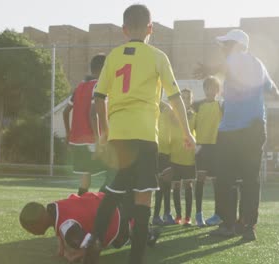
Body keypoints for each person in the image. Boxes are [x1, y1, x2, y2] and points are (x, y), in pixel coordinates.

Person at [83, 4, 195, 264]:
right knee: (143, 199)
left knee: (113, 191)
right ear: (150, 28)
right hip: (145, 134)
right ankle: (136, 258)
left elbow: (99, 97)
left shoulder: (113, 56)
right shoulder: (157, 56)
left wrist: (104, 133)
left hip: (119, 135)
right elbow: (175, 97)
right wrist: (187, 132)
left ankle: (94, 239)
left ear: (124, 30)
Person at [195, 29, 279, 241]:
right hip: (254, 128)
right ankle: (247, 227)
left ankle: (228, 225)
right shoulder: (259, 64)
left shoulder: (238, 57)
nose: (223, 48)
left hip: (233, 131)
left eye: (226, 44)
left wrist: (209, 69)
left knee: (226, 178)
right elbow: (274, 90)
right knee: (250, 179)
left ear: (237, 45)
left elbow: (225, 67)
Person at [19, 192, 160, 263]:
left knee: (125, 237)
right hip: (106, 202)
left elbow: (95, 246)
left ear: (37, 225)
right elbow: (61, 222)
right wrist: (61, 250)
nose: (30, 232)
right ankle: (144, 228)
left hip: (114, 220)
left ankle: (149, 233)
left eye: (30, 229)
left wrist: (78, 255)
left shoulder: (68, 230)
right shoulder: (52, 207)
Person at [63, 55, 107, 195]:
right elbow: (93, 115)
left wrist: (68, 133)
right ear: (105, 69)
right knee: (114, 168)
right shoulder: (99, 86)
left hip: (77, 140)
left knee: (85, 175)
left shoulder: (79, 87)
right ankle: (105, 203)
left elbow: (66, 111)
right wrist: (98, 141)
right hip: (92, 139)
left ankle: (81, 204)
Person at [191, 76, 223, 227]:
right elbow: (190, 124)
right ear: (204, 90)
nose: (211, 90)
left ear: (218, 90)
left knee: (218, 182)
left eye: (214, 88)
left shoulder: (222, 106)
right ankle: (198, 214)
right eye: (208, 87)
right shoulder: (196, 106)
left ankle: (218, 214)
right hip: (202, 147)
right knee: (200, 180)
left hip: (216, 148)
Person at [170, 89, 196, 226]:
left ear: (190, 101)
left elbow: (197, 135)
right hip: (175, 156)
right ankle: (178, 215)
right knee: (176, 186)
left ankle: (188, 217)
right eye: (183, 98)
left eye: (187, 98)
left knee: (188, 185)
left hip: (188, 157)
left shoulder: (194, 116)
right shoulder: (174, 116)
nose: (185, 100)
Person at [152, 102, 175, 226]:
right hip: (157, 152)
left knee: (167, 185)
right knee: (160, 185)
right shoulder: (152, 110)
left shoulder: (166, 111)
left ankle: (167, 214)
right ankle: (156, 216)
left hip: (168, 152)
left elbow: (171, 108)